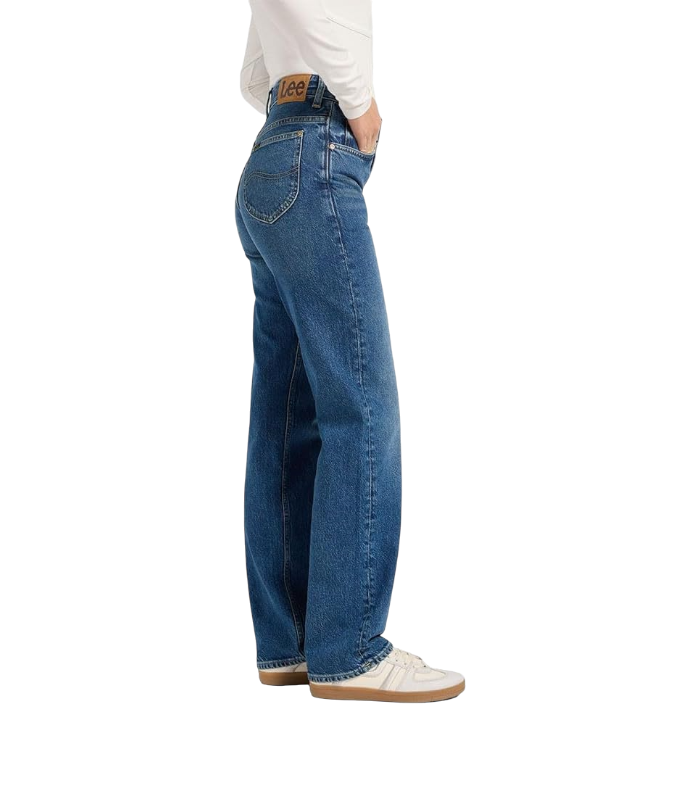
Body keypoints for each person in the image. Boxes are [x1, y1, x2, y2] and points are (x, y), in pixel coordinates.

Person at [237, 0, 464, 703]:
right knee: (362, 408)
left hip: (273, 150)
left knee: (284, 420)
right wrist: (360, 106)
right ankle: (351, 650)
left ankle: (290, 644)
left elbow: (256, 71)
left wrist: (289, 94)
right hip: (317, 148)